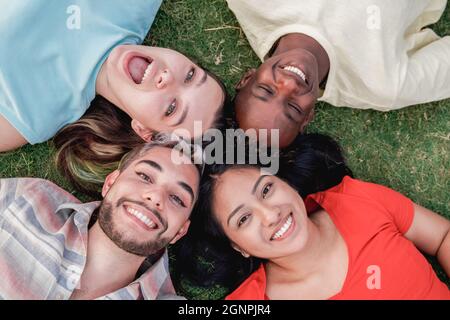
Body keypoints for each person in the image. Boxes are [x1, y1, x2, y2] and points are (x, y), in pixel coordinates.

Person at [178, 134, 450, 299]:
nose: (270, 214)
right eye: (243, 219)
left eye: (266, 189)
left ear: (287, 183)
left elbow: (441, 236)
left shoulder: (356, 200)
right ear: (237, 246)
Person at [0, 0, 226, 152]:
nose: (167, 78)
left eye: (171, 109)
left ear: (143, 131)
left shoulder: (36, 115)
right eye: (189, 75)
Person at [226, 0, 450, 147]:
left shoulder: (255, 4)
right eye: (293, 108)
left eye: (266, 89)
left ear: (247, 78)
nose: (289, 85)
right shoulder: (380, 84)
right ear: (308, 116)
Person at [0, 138, 201, 299]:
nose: (156, 197)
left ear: (180, 231)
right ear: (110, 183)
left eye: (176, 198)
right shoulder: (29, 197)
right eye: (145, 177)